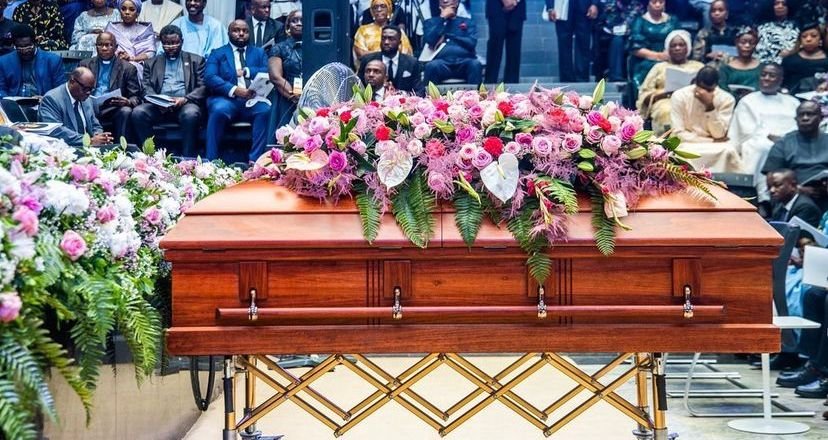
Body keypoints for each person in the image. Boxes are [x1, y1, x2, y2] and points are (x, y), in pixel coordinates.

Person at [728, 63, 799, 203]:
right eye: (763, 75)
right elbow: (747, 130)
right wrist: (771, 137)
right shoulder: (748, 101)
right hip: (758, 141)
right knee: (763, 148)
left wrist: (783, 139)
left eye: (772, 75)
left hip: (789, 140)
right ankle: (763, 197)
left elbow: (798, 127)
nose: (766, 78)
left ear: (780, 79)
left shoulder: (792, 102)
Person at [132, 24, 205, 157]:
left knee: (191, 113)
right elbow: (146, 87)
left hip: (185, 103)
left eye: (175, 43)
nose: (171, 46)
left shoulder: (196, 60)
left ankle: (187, 158)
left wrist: (185, 99)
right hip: (158, 106)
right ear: (161, 43)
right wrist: (157, 101)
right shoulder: (151, 63)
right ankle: (151, 156)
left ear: (182, 41)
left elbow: (203, 87)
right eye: (166, 43)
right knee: (138, 112)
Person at [204, 20, 269, 163]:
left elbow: (267, 70)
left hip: (252, 99)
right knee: (219, 110)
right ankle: (211, 161)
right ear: (228, 33)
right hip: (227, 99)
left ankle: (255, 161)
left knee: (264, 110)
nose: (241, 34)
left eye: (245, 31)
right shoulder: (217, 53)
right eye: (236, 30)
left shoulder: (259, 52)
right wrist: (235, 90)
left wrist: (247, 71)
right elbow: (210, 77)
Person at [670, 66, 739, 172]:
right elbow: (678, 133)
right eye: (701, 88)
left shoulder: (726, 99)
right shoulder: (679, 96)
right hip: (687, 143)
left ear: (716, 85)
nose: (703, 92)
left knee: (729, 151)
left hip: (716, 146)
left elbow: (719, 135)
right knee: (682, 152)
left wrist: (710, 106)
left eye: (709, 90)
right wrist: (711, 140)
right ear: (695, 82)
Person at [636, 30, 702, 135]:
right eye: (673, 45)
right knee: (666, 111)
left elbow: (710, 90)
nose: (677, 48)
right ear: (668, 49)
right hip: (665, 100)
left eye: (681, 45)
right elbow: (644, 94)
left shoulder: (699, 67)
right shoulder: (659, 67)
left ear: (688, 48)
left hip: (694, 100)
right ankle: (667, 141)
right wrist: (663, 93)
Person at [79, 32, 141, 144]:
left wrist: (128, 101)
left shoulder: (128, 68)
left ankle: (121, 147)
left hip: (113, 108)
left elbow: (136, 96)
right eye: (100, 45)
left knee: (126, 111)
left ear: (115, 47)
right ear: (96, 46)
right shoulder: (85, 65)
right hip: (89, 105)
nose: (104, 48)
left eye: (108, 45)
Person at [38, 67, 113, 147]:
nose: (88, 92)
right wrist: (89, 141)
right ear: (72, 82)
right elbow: (56, 131)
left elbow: (95, 125)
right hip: (64, 149)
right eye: (85, 88)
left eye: (91, 89)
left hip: (89, 149)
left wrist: (99, 137)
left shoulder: (86, 99)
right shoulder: (52, 99)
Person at [762, 100, 828, 186]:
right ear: (796, 119)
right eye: (801, 115)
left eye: (810, 114)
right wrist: (797, 189)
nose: (805, 118)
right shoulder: (783, 143)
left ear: (821, 118)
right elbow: (771, 178)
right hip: (795, 191)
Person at [422, 0, 482, 85]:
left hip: (464, 62)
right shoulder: (431, 22)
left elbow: (472, 43)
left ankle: (475, 93)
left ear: (456, 3)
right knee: (431, 66)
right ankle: (429, 94)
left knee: (475, 64)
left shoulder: (468, 22)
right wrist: (442, 18)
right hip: (441, 64)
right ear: (439, 4)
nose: (445, 0)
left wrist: (450, 36)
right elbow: (430, 40)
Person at [357, 25, 423, 96]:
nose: (386, 42)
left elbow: (419, 90)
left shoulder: (412, 63)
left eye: (391, 39)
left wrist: (403, 97)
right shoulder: (368, 60)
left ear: (400, 42)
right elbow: (359, 86)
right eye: (383, 38)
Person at [0, 24, 63, 98]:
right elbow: (1, 89)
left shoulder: (53, 60)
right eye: (19, 47)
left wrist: (46, 99)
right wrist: (8, 100)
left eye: (28, 46)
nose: (24, 51)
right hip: (13, 102)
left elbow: (60, 90)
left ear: (35, 43)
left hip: (42, 102)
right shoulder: (4, 62)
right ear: (14, 45)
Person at [267, 9, 301, 142]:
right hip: (286, 97)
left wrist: (305, 97)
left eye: (303, 21)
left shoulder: (315, 48)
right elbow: (275, 77)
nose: (299, 24)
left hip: (310, 96)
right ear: (287, 27)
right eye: (294, 21)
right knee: (284, 138)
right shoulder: (279, 48)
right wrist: (294, 95)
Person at [628, 0, 679, 89]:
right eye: (654, 2)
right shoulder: (639, 21)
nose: (658, 5)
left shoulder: (672, 20)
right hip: (644, 60)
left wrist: (669, 53)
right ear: (648, 4)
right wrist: (658, 56)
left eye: (661, 2)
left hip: (670, 57)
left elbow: (680, 40)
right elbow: (635, 48)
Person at [593, 0, 645, 82]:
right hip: (611, 35)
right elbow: (602, 24)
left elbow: (640, 24)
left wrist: (629, 30)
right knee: (617, 41)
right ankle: (616, 76)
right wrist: (614, 29)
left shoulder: (638, 6)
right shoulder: (609, 5)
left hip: (632, 35)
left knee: (635, 42)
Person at [545, 0, 598, 82]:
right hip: (561, 5)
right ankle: (566, 78)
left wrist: (594, 4)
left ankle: (582, 78)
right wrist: (550, 7)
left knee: (583, 42)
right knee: (563, 43)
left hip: (585, 5)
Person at [105, 0, 156, 79]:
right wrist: (118, 55)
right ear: (119, 11)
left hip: (138, 67)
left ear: (137, 13)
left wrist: (132, 59)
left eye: (131, 9)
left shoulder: (146, 30)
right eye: (123, 9)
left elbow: (151, 53)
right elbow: (105, 48)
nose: (127, 12)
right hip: (114, 65)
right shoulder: (111, 28)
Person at [353, 0, 413, 64]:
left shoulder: (397, 32)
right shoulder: (363, 30)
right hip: (371, 68)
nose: (379, 9)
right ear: (372, 11)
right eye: (375, 7)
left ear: (389, 9)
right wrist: (387, 55)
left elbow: (406, 55)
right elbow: (360, 54)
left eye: (383, 6)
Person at [484, 0, 525, 84]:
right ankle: (489, 85)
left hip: (518, 8)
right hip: (495, 6)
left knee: (514, 50)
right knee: (495, 47)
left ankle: (512, 87)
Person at [781, 24, 828, 94]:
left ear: (820, 39)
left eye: (814, 36)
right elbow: (782, 83)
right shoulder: (789, 60)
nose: (808, 39)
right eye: (804, 36)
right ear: (800, 40)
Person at [718, 26, 761, 97]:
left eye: (751, 43)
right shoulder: (725, 69)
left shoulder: (762, 68)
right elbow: (722, 90)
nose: (747, 46)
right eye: (743, 42)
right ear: (736, 43)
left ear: (756, 45)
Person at [690, 0, 737, 66]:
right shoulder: (703, 34)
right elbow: (696, 58)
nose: (717, 13)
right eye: (713, 11)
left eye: (720, 10)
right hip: (710, 67)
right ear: (709, 15)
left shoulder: (735, 33)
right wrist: (707, 56)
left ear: (727, 14)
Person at [755, 0, 798, 64]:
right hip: (764, 64)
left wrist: (791, 51)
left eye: (784, 4)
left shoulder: (796, 27)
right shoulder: (761, 27)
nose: (780, 6)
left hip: (790, 64)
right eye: (776, 4)